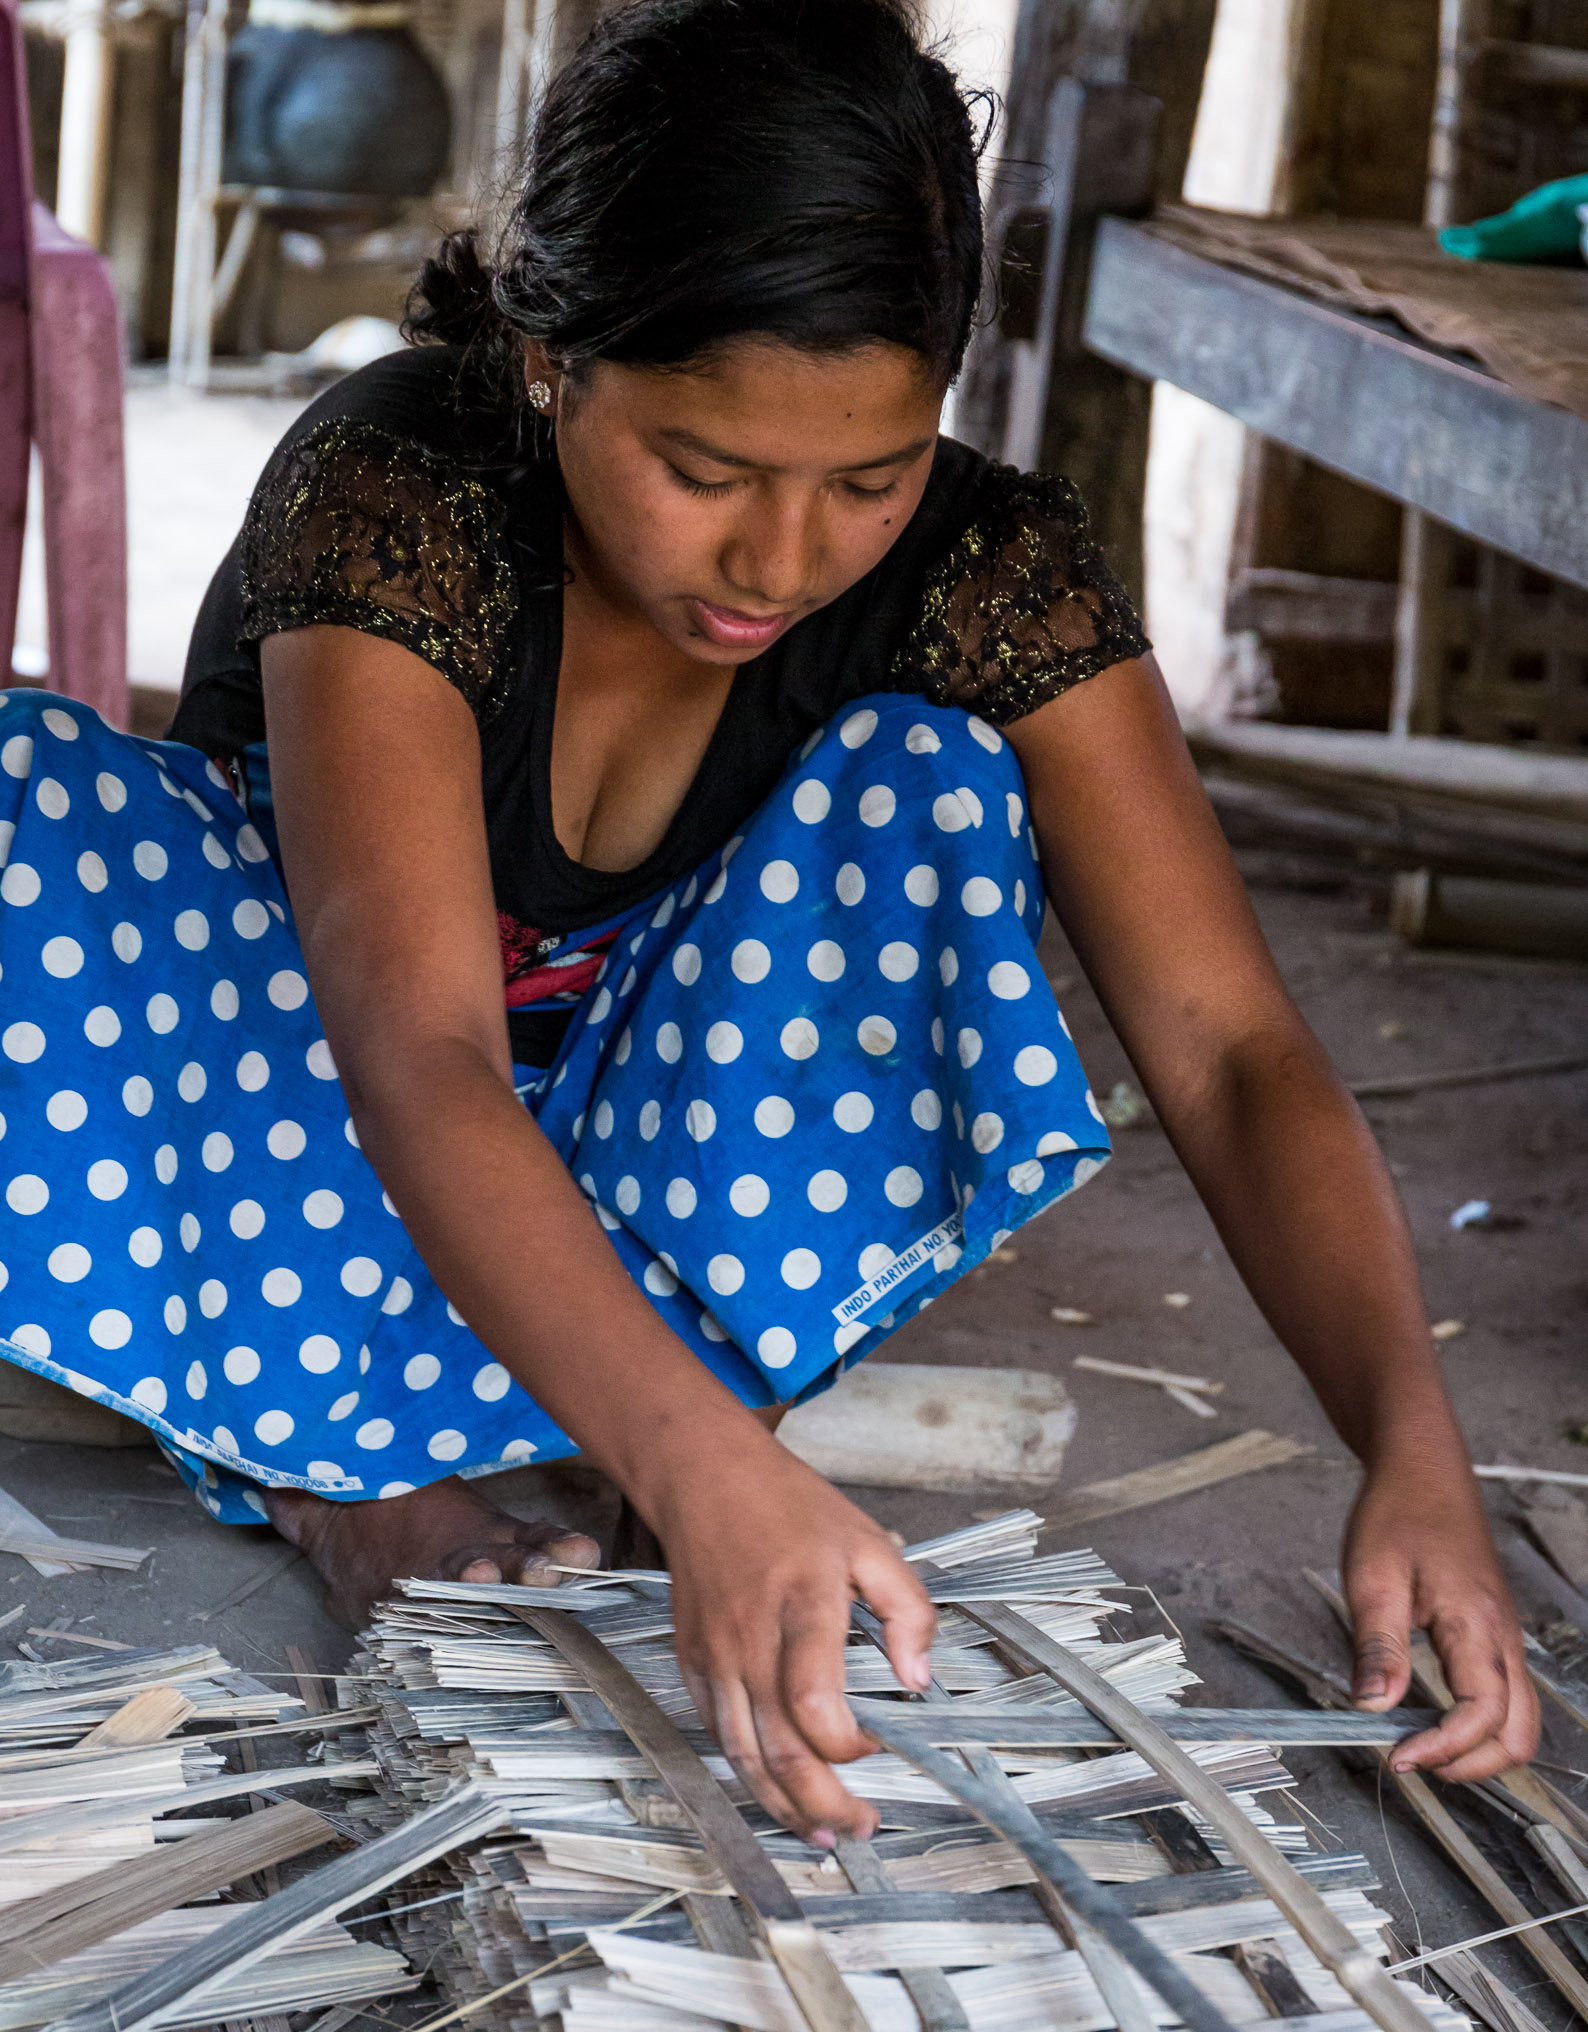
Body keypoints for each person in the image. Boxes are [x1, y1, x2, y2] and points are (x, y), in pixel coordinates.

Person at [0, 0, 1535, 1846]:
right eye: (705, 470)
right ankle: (353, 1477)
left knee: (934, 792)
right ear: (550, 356)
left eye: (867, 480)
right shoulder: (401, 491)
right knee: (39, 810)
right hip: (310, 1115)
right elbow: (418, 1055)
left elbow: (1230, 1049)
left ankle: (618, 1427)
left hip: (629, 1180)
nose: (780, 561)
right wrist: (703, 1472)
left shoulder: (985, 570)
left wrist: (1414, 1441)